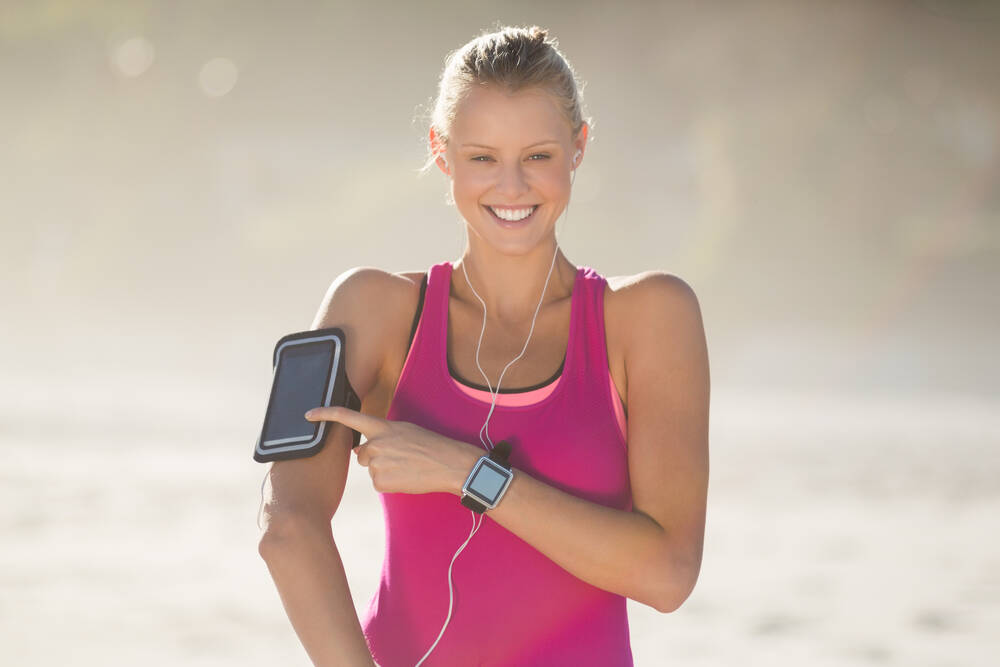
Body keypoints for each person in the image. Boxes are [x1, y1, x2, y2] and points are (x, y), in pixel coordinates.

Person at [258, 24, 710, 667]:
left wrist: (463, 470)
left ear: (579, 147)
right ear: (441, 152)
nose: (511, 187)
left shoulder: (650, 317)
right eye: (481, 158)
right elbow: (285, 527)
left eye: (538, 156)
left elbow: (667, 575)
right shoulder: (369, 309)